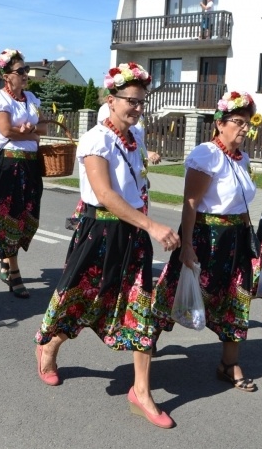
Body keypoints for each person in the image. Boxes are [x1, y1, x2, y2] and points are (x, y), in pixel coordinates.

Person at [34, 62, 180, 429]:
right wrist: (153, 225)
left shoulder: (135, 137)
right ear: (111, 101)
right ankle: (49, 347)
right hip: (100, 233)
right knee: (84, 300)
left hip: (133, 235)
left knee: (140, 308)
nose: (137, 107)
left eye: (141, 101)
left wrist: (144, 225)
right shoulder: (96, 138)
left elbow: (135, 184)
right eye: (131, 101)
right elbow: (104, 194)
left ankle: (141, 391)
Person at [152, 91, 258, 392]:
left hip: (235, 240)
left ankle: (229, 363)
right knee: (176, 292)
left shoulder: (242, 159)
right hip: (205, 237)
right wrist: (186, 245)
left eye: (248, 123)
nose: (244, 128)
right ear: (220, 124)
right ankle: (149, 336)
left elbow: (241, 203)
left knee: (237, 298)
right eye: (238, 121)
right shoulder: (206, 154)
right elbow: (190, 204)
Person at [0, 49, 46, 299]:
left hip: (31, 165)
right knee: (10, 216)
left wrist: (33, 128)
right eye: (20, 71)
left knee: (29, 216)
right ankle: (14, 272)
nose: (26, 75)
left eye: (26, 70)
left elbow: (44, 125)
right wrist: (31, 133)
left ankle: (5, 258)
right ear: (6, 75)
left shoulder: (30, 98)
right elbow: (7, 130)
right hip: (9, 164)